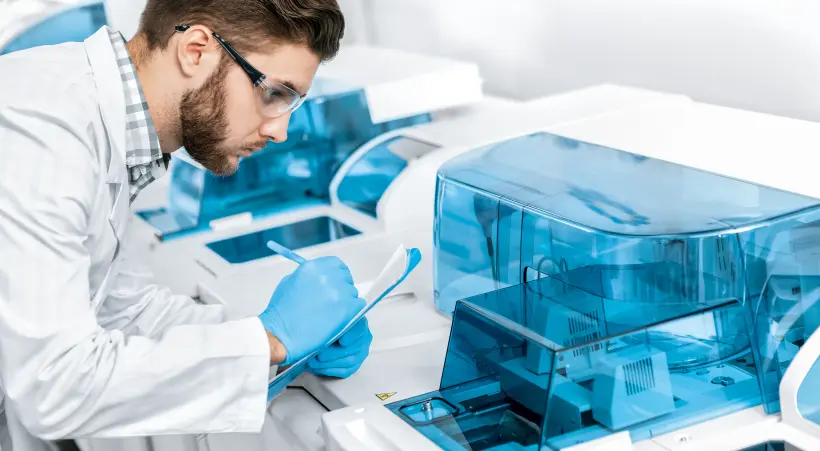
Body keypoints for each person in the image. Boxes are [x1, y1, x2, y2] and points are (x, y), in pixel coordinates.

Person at [0, 0, 373, 449]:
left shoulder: (115, 130)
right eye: (275, 93)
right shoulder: (44, 129)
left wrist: (285, 341)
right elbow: (54, 387)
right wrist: (270, 340)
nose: (281, 131)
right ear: (196, 50)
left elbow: (123, 307)